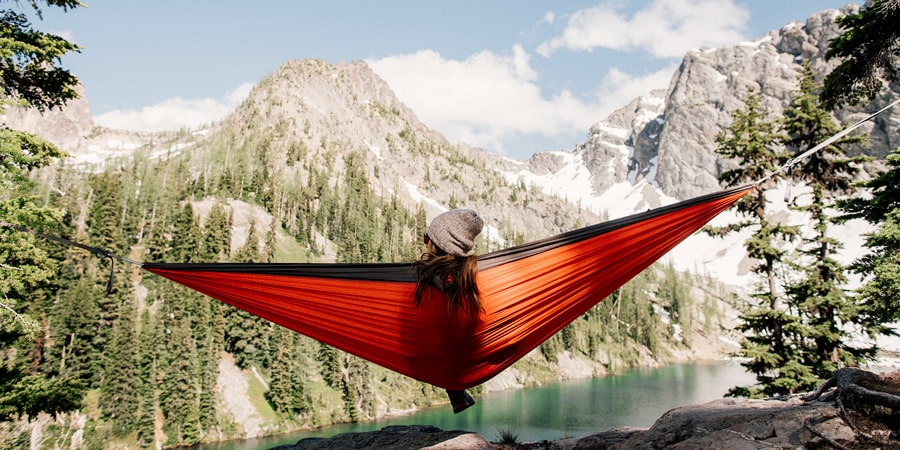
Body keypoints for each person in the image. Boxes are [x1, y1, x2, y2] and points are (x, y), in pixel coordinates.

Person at [415, 208, 484, 414]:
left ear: (438, 244)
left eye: (427, 238)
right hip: (467, 342)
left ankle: (455, 390)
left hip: (443, 344)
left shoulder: (428, 274)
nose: (425, 242)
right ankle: (456, 391)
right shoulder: (474, 271)